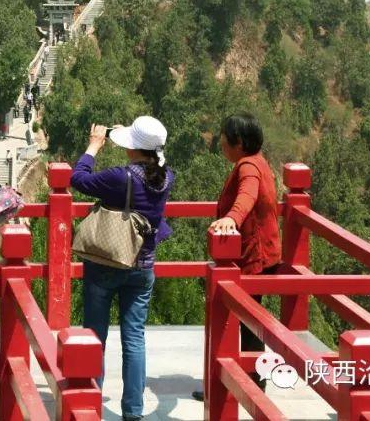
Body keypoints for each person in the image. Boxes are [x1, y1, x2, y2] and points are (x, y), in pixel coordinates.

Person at [71, 117, 174, 421]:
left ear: (133, 147)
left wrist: (93, 145)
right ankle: (133, 412)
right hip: (143, 267)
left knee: (95, 336)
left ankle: (91, 403)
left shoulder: (121, 177)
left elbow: (78, 179)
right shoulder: (168, 177)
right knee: (134, 338)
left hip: (106, 264)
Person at [193, 113, 281, 400]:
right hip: (256, 255)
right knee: (248, 320)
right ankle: (252, 379)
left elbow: (248, 194)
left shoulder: (248, 167)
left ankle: (248, 382)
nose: (220, 141)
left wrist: (231, 218)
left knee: (246, 321)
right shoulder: (256, 161)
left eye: (223, 136)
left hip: (252, 257)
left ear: (239, 143)